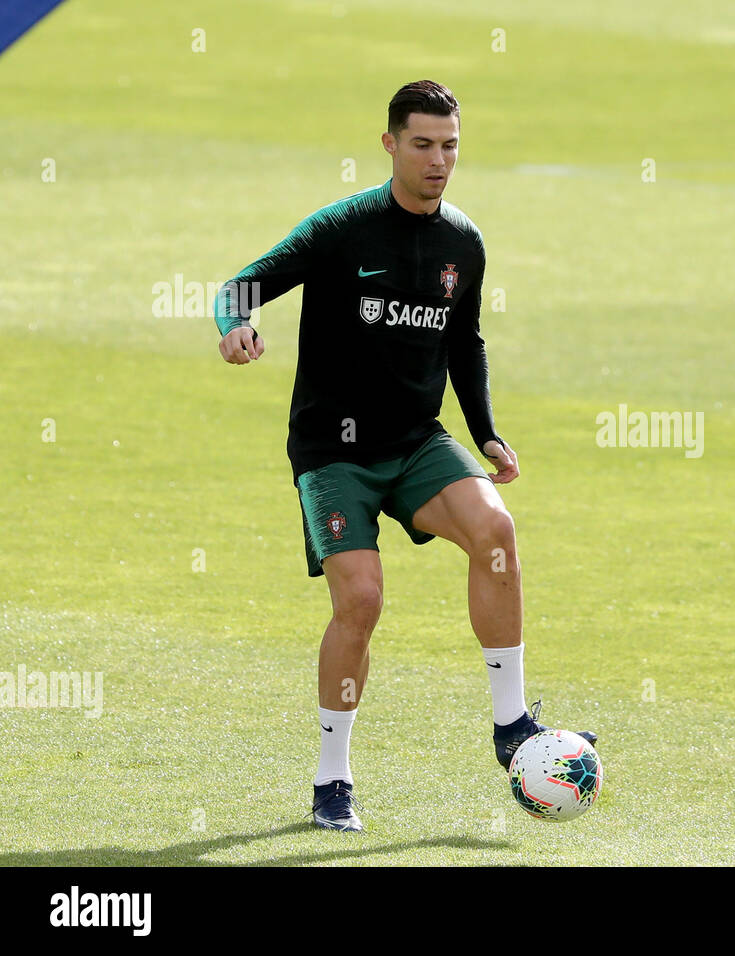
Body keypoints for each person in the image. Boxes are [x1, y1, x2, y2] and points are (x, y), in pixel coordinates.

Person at [212, 80, 596, 832]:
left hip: (416, 438)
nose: (438, 161)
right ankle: (332, 780)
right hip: (334, 451)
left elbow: (464, 342)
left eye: (450, 145)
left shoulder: (463, 243)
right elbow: (241, 287)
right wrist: (234, 327)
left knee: (496, 530)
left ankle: (512, 724)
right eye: (422, 144)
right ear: (389, 143)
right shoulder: (342, 230)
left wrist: (484, 432)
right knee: (360, 600)